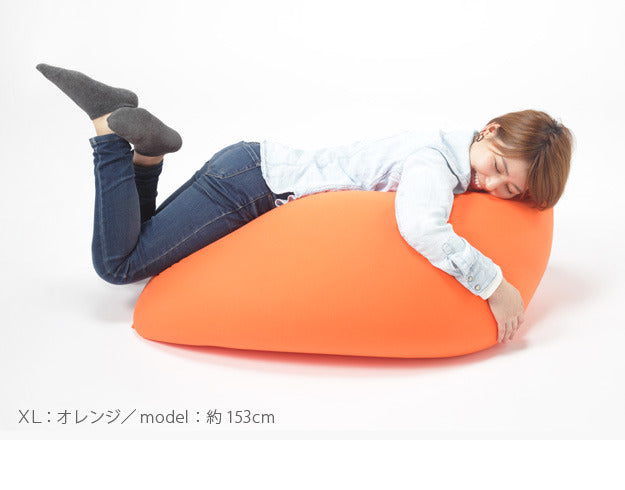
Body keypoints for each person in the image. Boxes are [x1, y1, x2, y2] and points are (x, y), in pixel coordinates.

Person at [36, 63, 573, 345]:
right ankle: (109, 129)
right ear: (490, 130)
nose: (490, 186)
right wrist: (495, 285)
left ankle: (148, 154)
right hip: (249, 187)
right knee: (119, 265)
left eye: (510, 191)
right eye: (497, 166)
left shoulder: (450, 147)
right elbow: (422, 228)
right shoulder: (434, 162)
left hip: (248, 170)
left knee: (143, 239)